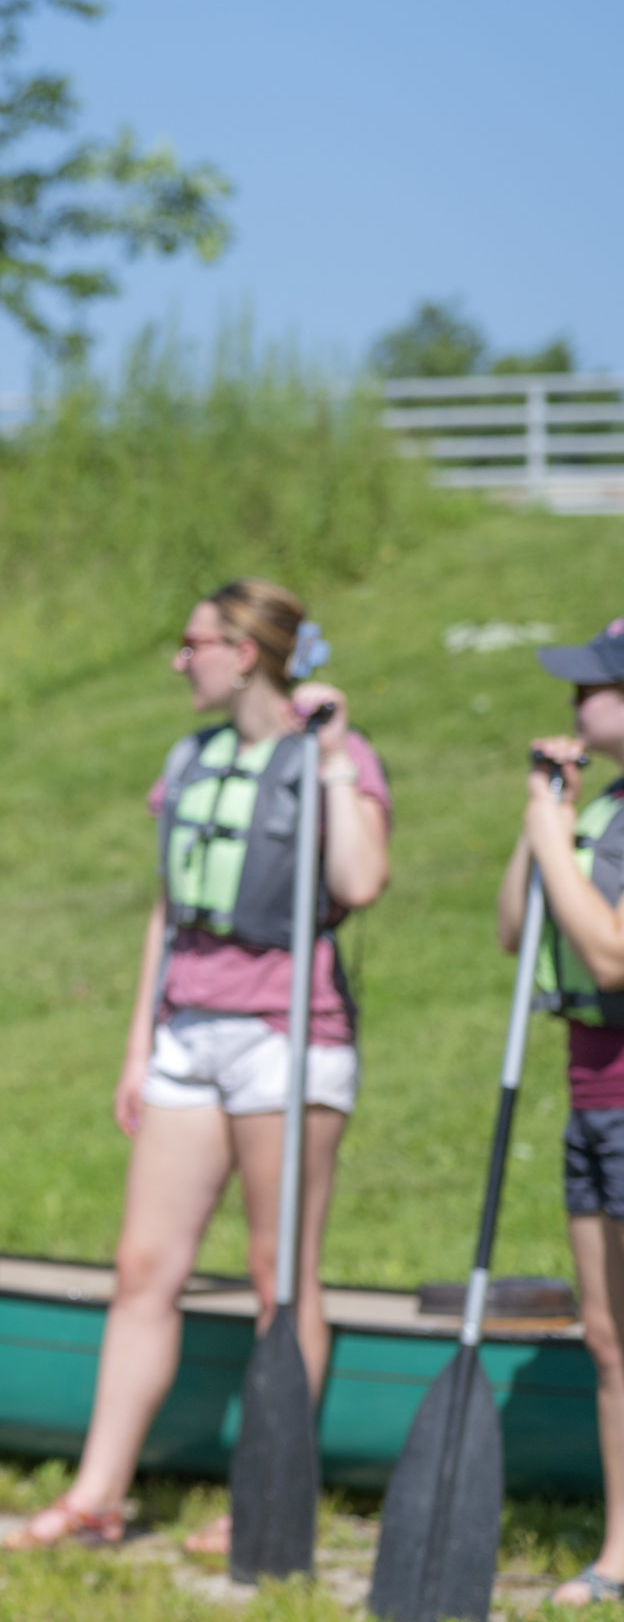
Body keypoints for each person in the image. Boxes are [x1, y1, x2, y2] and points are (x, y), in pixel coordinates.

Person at [7, 578, 391, 1551]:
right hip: (188, 1033)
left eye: (194, 644)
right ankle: (96, 1491)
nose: (180, 661)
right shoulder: (190, 757)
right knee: (143, 1266)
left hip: (286, 1037)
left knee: (278, 1275)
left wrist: (337, 754)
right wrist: (139, 1038)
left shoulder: (329, 759)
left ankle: (270, 1491)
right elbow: (166, 907)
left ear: (246, 651)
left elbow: (358, 881)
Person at [503, 618, 624, 1608]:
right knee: (605, 1331)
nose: (571, 703)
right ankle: (621, 1548)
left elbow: (614, 956)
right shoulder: (597, 807)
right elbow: (515, 927)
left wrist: (552, 834)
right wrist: (540, 821)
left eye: (590, 687)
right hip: (590, 1095)